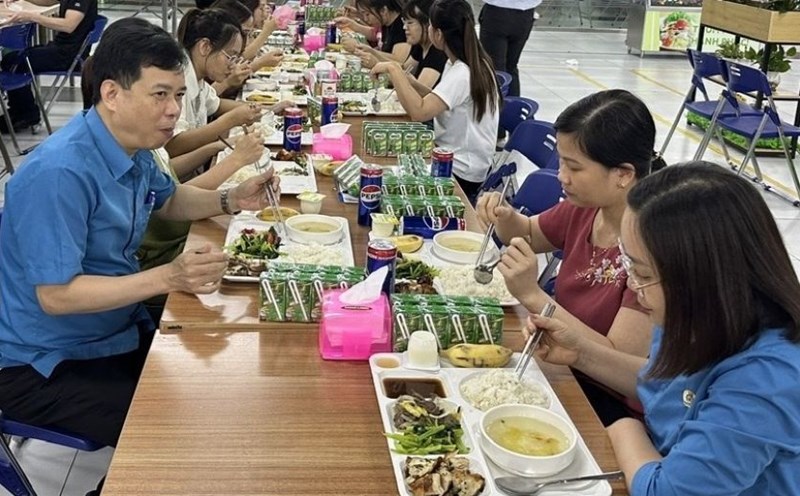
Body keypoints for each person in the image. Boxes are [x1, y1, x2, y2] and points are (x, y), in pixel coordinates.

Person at [0, 17, 277, 456]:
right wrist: (170, 277)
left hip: (113, 328)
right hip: (44, 362)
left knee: (224, 390)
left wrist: (231, 199)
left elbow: (169, 201)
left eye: (180, 95)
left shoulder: (132, 146)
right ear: (111, 94)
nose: (173, 110)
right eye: (160, 95)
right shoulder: (59, 174)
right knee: (173, 437)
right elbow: (57, 296)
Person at [530, 163, 800, 495]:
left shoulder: (764, 381)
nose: (632, 283)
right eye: (629, 264)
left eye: (642, 273)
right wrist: (581, 354)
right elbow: (662, 384)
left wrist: (624, 427)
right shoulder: (693, 315)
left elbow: (665, 490)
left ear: (698, 279)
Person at [476, 89, 667, 425]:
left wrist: (534, 296)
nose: (561, 175)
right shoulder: (586, 209)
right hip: (562, 366)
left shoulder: (649, 250)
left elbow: (615, 358)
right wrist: (503, 215)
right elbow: (530, 233)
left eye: (574, 167)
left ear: (623, 173)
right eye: (561, 161)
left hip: (604, 400)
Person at [370, 0, 499, 203]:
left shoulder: (462, 73)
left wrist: (395, 71)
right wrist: (411, 83)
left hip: (459, 170)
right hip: (455, 158)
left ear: (438, 34)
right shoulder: (467, 62)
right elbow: (440, 99)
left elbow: (419, 112)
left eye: (430, 25)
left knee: (382, 179)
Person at [165, 8, 289, 160]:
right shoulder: (178, 79)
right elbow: (172, 146)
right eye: (231, 56)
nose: (233, 65)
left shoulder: (199, 77)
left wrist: (268, 110)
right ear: (204, 47)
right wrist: (229, 121)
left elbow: (216, 104)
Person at [0, 0, 98, 131]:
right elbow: (49, 0)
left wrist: (32, 16)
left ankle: (24, 114)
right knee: (17, 58)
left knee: (13, 61)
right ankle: (24, 111)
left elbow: (69, 25)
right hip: (65, 50)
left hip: (67, 55)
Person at [478, 0, 538, 98]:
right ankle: (513, 107)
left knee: (494, 68)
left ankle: (495, 109)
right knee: (511, 66)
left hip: (497, 13)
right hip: (525, 15)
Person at [336, 0, 410, 64]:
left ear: (383, 10)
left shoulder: (402, 27)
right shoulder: (386, 21)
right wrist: (351, 24)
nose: (365, 19)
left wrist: (360, 48)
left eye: (367, 14)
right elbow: (375, 35)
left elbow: (398, 60)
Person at [399, 0, 448, 91]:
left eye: (410, 23)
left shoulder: (438, 52)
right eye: (404, 22)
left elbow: (418, 93)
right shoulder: (421, 46)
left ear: (428, 25)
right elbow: (405, 70)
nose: (405, 27)